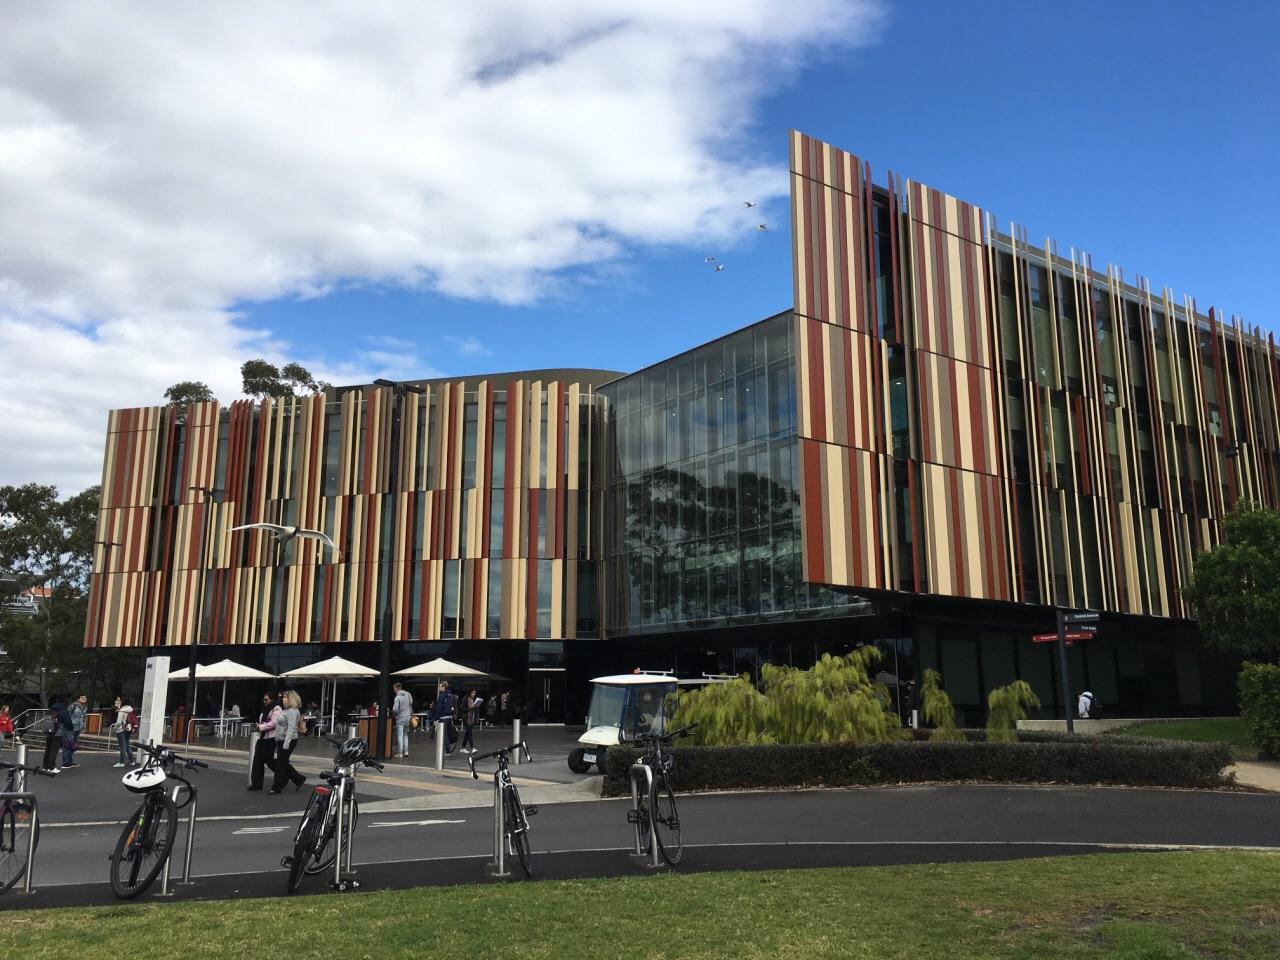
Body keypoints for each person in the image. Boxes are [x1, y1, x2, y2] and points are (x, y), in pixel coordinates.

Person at [269, 690, 307, 794]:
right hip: (282, 739)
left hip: (288, 740)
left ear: (291, 699)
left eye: (285, 697)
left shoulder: (292, 711)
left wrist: (286, 743)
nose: (282, 699)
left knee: (280, 764)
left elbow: (291, 728)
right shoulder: (286, 710)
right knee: (284, 763)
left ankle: (277, 787)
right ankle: (298, 779)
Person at [248, 692, 280, 791]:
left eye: (266, 700)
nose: (264, 701)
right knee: (257, 760)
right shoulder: (265, 709)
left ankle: (285, 773)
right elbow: (265, 721)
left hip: (271, 737)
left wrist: (261, 727)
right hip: (262, 736)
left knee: (268, 759)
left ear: (272, 699)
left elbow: (274, 723)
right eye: (264, 699)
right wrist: (259, 725)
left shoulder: (276, 709)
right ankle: (256, 784)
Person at [42, 695, 72, 773]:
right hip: (58, 732)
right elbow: (67, 721)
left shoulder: (52, 708)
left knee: (48, 749)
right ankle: (51, 767)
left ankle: (45, 766)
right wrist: (71, 728)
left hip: (49, 730)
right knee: (54, 750)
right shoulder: (63, 709)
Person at [63, 692, 87, 768]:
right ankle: (65, 762)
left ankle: (70, 761)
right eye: (82, 697)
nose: (84, 699)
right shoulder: (73, 706)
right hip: (71, 728)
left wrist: (83, 725)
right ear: (78, 699)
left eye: (85, 697)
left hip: (78, 728)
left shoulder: (84, 707)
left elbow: (83, 717)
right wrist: (69, 725)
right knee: (68, 744)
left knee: (73, 745)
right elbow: (66, 715)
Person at [110, 696, 136, 767]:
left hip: (121, 730)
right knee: (127, 745)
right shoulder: (129, 709)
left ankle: (122, 762)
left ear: (122, 701)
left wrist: (114, 728)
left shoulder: (121, 711)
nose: (117, 701)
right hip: (128, 729)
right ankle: (132, 761)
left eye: (119, 700)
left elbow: (118, 722)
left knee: (122, 747)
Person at [431, 682, 456, 754]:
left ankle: (448, 751)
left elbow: (439, 708)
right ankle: (449, 748)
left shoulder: (441, 696)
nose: (439, 688)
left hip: (443, 718)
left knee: (444, 735)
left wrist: (435, 718)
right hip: (450, 717)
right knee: (448, 734)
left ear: (443, 687)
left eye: (440, 686)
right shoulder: (450, 695)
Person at [391, 682, 413, 759]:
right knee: (405, 735)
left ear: (396, 688)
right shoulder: (408, 694)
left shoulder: (397, 698)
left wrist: (394, 714)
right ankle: (406, 751)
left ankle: (400, 753)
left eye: (394, 688)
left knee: (400, 735)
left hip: (400, 718)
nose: (393, 690)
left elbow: (395, 710)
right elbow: (411, 703)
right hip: (408, 717)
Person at [461, 690, 482, 754]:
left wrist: (476, 706)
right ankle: (472, 748)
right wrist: (470, 708)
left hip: (472, 719)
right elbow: (462, 709)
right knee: (469, 733)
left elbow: (476, 710)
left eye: (475, 693)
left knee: (467, 734)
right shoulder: (465, 699)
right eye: (472, 693)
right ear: (469, 692)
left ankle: (462, 748)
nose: (474, 694)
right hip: (467, 719)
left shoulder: (474, 699)